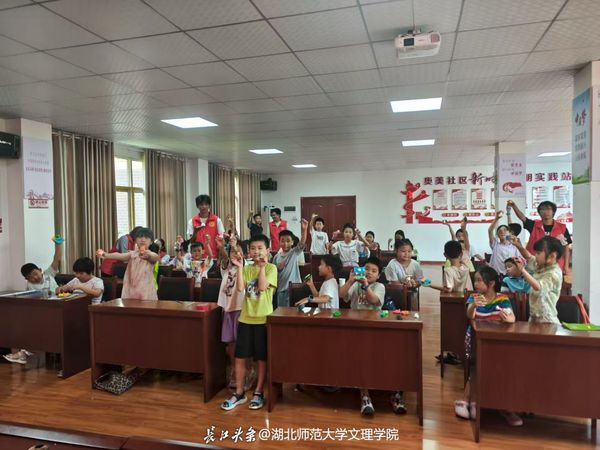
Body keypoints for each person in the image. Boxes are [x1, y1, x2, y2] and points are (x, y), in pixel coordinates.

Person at [339, 257, 406, 415]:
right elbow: (341, 295)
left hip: (375, 328)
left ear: (378, 275)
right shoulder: (355, 284)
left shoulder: (379, 286)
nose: (369, 272)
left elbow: (374, 300)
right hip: (356, 328)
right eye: (367, 269)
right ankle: (365, 395)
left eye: (373, 271)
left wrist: (366, 286)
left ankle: (394, 393)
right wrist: (350, 280)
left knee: (387, 356)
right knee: (361, 358)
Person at [454, 266, 520, 426]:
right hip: (476, 340)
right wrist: (474, 306)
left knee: (504, 368)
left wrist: (508, 318)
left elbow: (512, 318)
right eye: (475, 280)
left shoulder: (502, 299)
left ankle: (504, 405)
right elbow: (469, 315)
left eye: (479, 280)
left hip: (497, 342)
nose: (475, 284)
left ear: (491, 283)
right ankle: (468, 399)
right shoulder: (474, 297)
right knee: (477, 365)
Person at [221, 234, 277, 411]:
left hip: (263, 320)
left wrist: (261, 267)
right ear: (249, 252)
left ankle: (259, 392)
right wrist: (239, 267)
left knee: (261, 358)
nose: (256, 251)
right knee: (240, 357)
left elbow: (262, 287)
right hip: (245, 318)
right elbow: (240, 288)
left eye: (260, 248)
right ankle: (239, 393)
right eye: (253, 248)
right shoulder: (246, 268)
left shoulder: (271, 268)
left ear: (268, 251)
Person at [5, 237, 64, 365]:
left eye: (35, 273)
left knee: (38, 327)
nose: (34, 278)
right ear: (27, 279)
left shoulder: (49, 274)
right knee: (28, 325)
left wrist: (59, 244)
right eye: (30, 277)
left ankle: (24, 353)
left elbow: (56, 259)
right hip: (43, 312)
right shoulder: (29, 286)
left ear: (40, 270)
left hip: (57, 309)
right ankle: (24, 352)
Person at [215, 235, 254, 390]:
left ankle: (248, 371)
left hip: (241, 309)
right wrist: (221, 248)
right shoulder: (226, 268)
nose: (235, 254)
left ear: (244, 255)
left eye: (238, 252)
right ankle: (234, 371)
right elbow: (226, 258)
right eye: (232, 252)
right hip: (228, 309)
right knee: (231, 343)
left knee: (242, 343)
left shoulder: (245, 267)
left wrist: (234, 246)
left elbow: (238, 259)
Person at [507, 200, 571, 274]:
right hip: (535, 264)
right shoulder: (533, 225)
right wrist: (514, 206)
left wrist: (566, 266)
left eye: (548, 209)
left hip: (555, 264)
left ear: (553, 212)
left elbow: (566, 248)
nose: (545, 212)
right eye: (542, 209)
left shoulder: (562, 228)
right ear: (539, 212)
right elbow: (522, 218)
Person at [96, 227, 159, 300]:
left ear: (151, 242)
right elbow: (120, 255)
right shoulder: (132, 254)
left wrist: (148, 256)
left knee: (145, 304)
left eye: (146, 237)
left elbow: (154, 257)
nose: (143, 239)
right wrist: (105, 254)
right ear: (135, 240)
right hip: (131, 287)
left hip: (146, 288)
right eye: (140, 237)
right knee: (130, 304)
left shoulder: (151, 254)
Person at [513, 236, 564, 324]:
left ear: (552, 256)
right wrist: (519, 246)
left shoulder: (554, 273)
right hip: (534, 318)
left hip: (547, 320)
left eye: (538, 253)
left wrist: (522, 270)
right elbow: (529, 257)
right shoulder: (542, 265)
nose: (535, 255)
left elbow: (538, 287)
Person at [272, 220, 308, 307]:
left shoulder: (294, 252)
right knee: (282, 312)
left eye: (288, 241)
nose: (285, 243)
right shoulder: (276, 257)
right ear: (279, 242)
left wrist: (304, 230)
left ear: (292, 242)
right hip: (281, 290)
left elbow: (302, 243)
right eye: (282, 241)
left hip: (294, 288)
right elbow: (273, 274)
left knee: (297, 311)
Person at [187, 194, 224, 259]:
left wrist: (220, 257)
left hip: (214, 257)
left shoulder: (217, 220)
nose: (204, 207)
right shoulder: (191, 221)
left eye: (206, 204)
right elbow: (191, 242)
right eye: (201, 204)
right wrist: (195, 232)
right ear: (197, 206)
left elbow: (221, 240)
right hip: (197, 258)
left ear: (209, 205)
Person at [488, 211, 520, 276]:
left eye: (505, 230)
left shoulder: (514, 246)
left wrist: (508, 214)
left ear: (510, 233)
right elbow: (490, 230)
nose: (502, 232)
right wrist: (496, 218)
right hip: (497, 275)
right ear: (497, 235)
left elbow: (519, 261)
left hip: (511, 275)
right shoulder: (495, 245)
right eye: (500, 231)